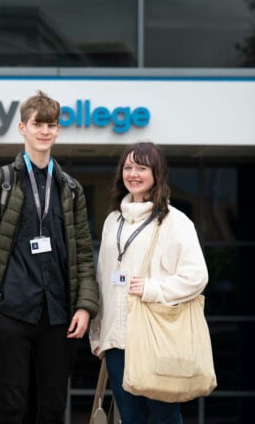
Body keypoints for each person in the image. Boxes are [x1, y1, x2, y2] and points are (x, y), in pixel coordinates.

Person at [0, 90, 99, 423]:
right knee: (12, 408)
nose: (44, 131)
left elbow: (84, 252)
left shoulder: (70, 188)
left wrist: (85, 306)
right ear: (22, 128)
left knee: (53, 408)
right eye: (37, 124)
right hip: (11, 312)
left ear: (57, 131)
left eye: (51, 125)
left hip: (59, 315)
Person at [89, 142, 209, 424]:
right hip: (117, 342)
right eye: (128, 167)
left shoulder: (175, 222)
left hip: (157, 339)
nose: (133, 174)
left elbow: (197, 276)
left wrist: (152, 289)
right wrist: (98, 335)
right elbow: (102, 280)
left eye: (141, 168)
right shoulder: (112, 220)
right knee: (130, 418)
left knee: (165, 416)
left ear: (157, 174)